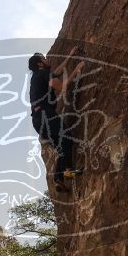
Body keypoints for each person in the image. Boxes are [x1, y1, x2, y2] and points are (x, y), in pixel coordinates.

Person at [29, 47, 85, 192]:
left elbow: (57, 72)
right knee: (67, 137)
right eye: (43, 58)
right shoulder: (43, 74)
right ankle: (67, 169)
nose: (47, 59)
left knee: (61, 145)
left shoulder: (38, 76)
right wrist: (77, 69)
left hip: (38, 120)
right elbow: (63, 87)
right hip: (45, 115)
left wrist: (70, 55)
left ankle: (59, 178)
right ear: (40, 64)